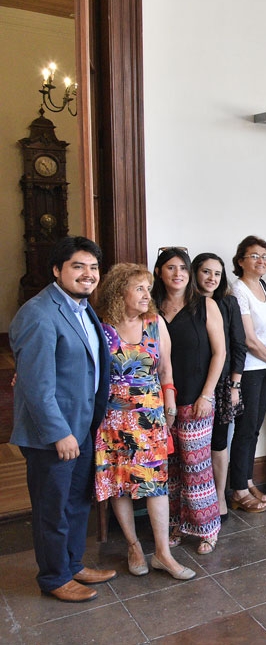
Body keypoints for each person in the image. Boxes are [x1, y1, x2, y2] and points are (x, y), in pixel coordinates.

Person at [9, 237, 116, 602]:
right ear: (57, 270)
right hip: (52, 435)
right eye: (78, 266)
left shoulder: (82, 307)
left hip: (83, 426)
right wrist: (59, 433)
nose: (88, 275)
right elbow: (36, 387)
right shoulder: (39, 313)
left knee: (76, 503)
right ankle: (55, 577)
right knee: (51, 508)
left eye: (93, 268)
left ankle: (71, 564)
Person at [94, 263, 195, 581]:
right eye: (139, 288)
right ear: (118, 291)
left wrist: (169, 407)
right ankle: (134, 545)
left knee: (156, 486)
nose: (146, 294)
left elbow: (166, 371)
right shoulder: (102, 327)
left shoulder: (155, 323)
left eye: (147, 289)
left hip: (150, 418)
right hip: (112, 420)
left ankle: (163, 553)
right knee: (120, 484)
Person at [153, 247, 225, 556]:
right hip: (158, 402)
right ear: (160, 272)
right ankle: (175, 525)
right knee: (169, 468)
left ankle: (208, 527)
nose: (178, 273)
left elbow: (220, 352)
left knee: (196, 467)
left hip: (196, 400)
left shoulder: (205, 305)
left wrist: (207, 394)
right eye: (171, 268)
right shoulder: (151, 306)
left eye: (182, 268)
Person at [228, 236, 266, 513]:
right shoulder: (238, 290)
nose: (261, 260)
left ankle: (247, 479)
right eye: (254, 256)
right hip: (249, 370)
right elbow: (249, 339)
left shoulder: (265, 285)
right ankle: (237, 489)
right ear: (241, 261)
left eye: (265, 255)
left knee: (254, 428)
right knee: (245, 429)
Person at [192, 252, 246, 523]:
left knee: (218, 442)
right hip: (191, 383)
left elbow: (239, 346)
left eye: (217, 273)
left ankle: (220, 495)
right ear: (195, 273)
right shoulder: (185, 302)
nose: (212, 278)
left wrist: (235, 385)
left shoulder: (228, 303)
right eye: (206, 272)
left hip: (224, 383)